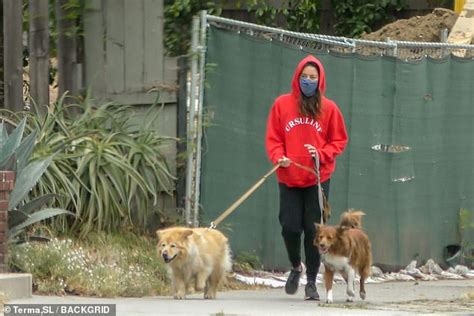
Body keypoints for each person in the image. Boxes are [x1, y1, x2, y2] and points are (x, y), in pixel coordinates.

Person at [265, 55, 348, 300]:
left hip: (317, 179)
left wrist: (321, 154)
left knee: (316, 234)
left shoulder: (329, 108)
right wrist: (279, 156)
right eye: (305, 77)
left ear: (320, 80)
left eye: (313, 77)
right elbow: (273, 138)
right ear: (297, 78)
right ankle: (295, 266)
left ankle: (311, 281)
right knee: (290, 227)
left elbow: (339, 140)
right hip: (288, 177)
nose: (308, 81)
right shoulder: (281, 104)